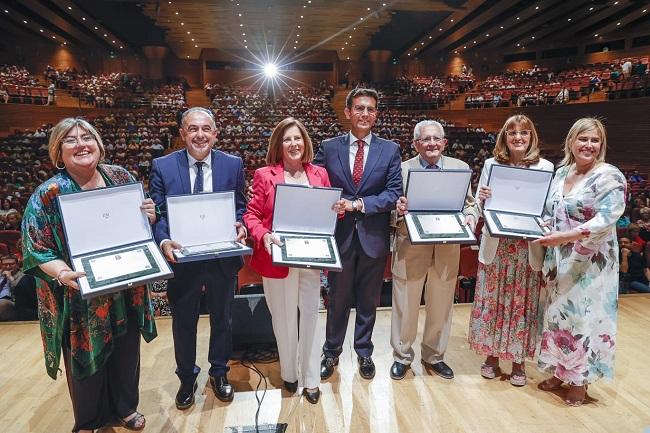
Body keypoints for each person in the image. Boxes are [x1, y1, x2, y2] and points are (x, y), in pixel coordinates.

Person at [21, 117, 157, 433]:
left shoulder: (120, 177)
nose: (82, 144)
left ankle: (125, 408)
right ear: (58, 152)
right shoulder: (48, 193)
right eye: (71, 139)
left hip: (124, 285)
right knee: (85, 360)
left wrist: (149, 214)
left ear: (98, 144)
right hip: (78, 291)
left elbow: (140, 224)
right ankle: (89, 420)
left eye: (87, 137)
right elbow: (36, 247)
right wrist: (63, 272)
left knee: (126, 352)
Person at [149, 107, 247, 409]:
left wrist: (240, 225)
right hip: (182, 260)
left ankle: (219, 372)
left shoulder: (234, 165)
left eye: (206, 129)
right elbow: (158, 212)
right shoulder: (163, 166)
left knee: (223, 320)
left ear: (216, 133)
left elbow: (240, 206)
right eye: (193, 129)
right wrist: (164, 240)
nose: (200, 135)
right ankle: (187, 378)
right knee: (184, 322)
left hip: (221, 259)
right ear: (182, 133)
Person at [243, 117, 344, 404]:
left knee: (311, 317)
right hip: (277, 258)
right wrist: (262, 235)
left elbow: (328, 215)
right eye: (287, 139)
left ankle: (311, 379)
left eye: (298, 138)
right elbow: (251, 215)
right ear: (279, 145)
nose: (293, 144)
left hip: (310, 259)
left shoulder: (320, 174)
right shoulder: (265, 175)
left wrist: (336, 210)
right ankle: (290, 374)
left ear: (305, 143)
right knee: (284, 320)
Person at [535, 118, 626, 406]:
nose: (588, 145)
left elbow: (606, 218)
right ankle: (560, 371)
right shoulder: (561, 173)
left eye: (595, 140)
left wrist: (565, 236)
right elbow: (549, 211)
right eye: (583, 139)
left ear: (601, 145)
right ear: (571, 142)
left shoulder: (610, 176)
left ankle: (581, 380)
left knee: (584, 317)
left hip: (591, 262)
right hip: (559, 259)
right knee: (557, 315)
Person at [315, 88, 402, 380]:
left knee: (368, 299)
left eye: (371, 109)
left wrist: (358, 204)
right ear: (348, 112)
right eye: (360, 108)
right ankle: (331, 352)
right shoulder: (328, 147)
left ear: (376, 114)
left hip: (374, 236)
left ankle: (364, 352)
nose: (365, 114)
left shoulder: (389, 149)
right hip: (339, 235)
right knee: (337, 299)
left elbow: (393, 193)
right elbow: (315, 183)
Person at [468, 114, 554, 386]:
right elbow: (481, 204)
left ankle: (518, 362)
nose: (518, 137)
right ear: (504, 136)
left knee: (522, 304)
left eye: (524, 133)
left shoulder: (545, 167)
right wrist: (480, 200)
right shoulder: (491, 164)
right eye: (512, 132)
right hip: (497, 244)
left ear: (532, 137)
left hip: (526, 248)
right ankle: (491, 357)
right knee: (492, 303)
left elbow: (548, 210)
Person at [389, 120, 479, 380]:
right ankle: (402, 357)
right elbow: (390, 209)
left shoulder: (460, 168)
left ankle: (434, 356)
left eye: (436, 139)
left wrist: (471, 217)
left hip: (447, 248)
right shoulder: (401, 170)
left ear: (444, 142)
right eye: (425, 139)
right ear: (416, 144)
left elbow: (470, 205)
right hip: (410, 247)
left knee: (441, 305)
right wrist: (398, 211)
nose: (431, 144)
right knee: (405, 304)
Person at [0, 254, 37, 321]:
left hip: (13, 303)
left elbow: (21, 292)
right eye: (5, 264)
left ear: (17, 265)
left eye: (11, 264)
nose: (8, 267)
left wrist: (10, 278)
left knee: (2, 303)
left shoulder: (24, 277)